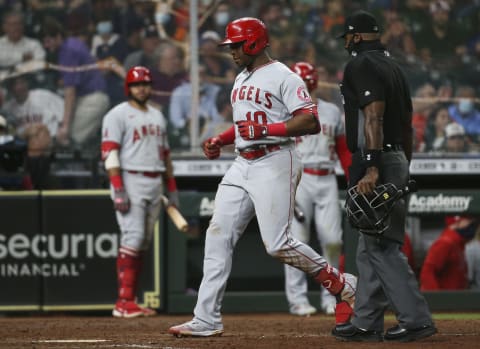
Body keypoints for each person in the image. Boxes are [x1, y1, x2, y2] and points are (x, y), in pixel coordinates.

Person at [167, 17, 356, 338]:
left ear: (254, 43)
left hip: (276, 160)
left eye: (236, 45)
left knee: (277, 244)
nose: (232, 52)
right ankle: (206, 318)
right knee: (217, 235)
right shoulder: (241, 78)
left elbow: (310, 122)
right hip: (243, 163)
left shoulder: (285, 76)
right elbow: (245, 125)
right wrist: (220, 140)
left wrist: (266, 130)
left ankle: (340, 282)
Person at [332, 11, 436, 342]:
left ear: (358, 37)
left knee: (383, 247)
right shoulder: (394, 67)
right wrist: (404, 164)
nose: (346, 42)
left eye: (348, 36)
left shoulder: (361, 65)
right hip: (396, 157)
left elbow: (373, 119)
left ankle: (416, 319)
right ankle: (365, 322)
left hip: (375, 160)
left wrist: (372, 167)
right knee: (369, 245)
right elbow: (406, 122)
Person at [101, 66, 179, 318]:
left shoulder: (158, 115)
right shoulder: (117, 114)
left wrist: (172, 187)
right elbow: (110, 152)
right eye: (136, 84)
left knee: (142, 242)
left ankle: (130, 300)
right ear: (128, 87)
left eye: (145, 83)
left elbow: (165, 155)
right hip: (130, 178)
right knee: (133, 238)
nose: (142, 88)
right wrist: (118, 187)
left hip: (155, 179)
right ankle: (123, 302)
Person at [284, 61, 352, 316]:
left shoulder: (332, 111)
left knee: (333, 241)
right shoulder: (285, 112)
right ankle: (298, 300)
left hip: (327, 178)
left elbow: (343, 149)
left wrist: (350, 176)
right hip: (299, 179)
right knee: (295, 242)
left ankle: (329, 295)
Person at [41, 17, 110, 150]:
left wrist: (65, 126)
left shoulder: (68, 51)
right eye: (44, 42)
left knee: (70, 138)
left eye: (48, 41)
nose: (46, 45)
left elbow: (70, 92)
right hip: (88, 96)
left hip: (93, 100)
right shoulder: (72, 43)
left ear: (58, 36)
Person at [2, 74, 63, 189]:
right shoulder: (8, 109)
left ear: (27, 83)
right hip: (25, 157)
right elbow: (8, 138)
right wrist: (25, 133)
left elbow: (63, 118)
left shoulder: (43, 96)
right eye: (15, 84)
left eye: (21, 82)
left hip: (50, 148)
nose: (19, 87)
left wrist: (56, 134)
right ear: (10, 89)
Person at [420, 216, 479, 291]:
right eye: (470, 220)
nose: (474, 224)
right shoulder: (445, 242)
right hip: (446, 300)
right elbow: (427, 272)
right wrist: (437, 299)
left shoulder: (458, 244)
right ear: (458, 221)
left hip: (455, 299)